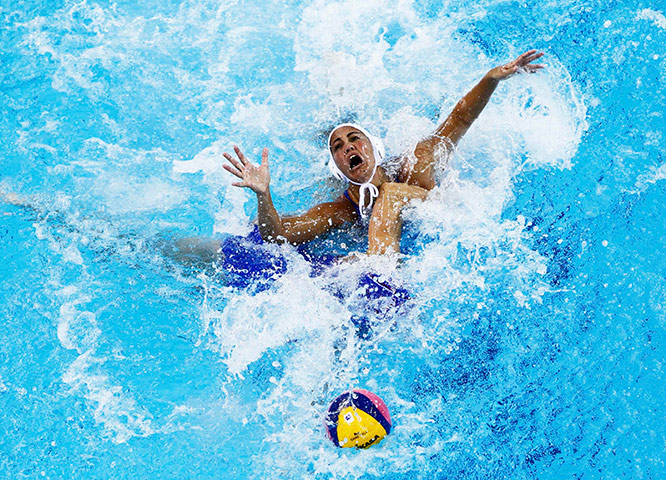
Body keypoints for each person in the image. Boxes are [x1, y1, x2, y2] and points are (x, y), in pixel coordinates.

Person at [219, 50, 544, 257]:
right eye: (338, 147)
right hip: (378, 221)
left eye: (354, 139)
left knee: (390, 194)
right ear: (338, 168)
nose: (348, 147)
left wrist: (491, 78)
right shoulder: (342, 210)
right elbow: (280, 238)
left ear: (373, 146)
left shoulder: (414, 162)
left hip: (432, 205)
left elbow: (459, 119)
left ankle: (380, 268)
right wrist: (264, 195)